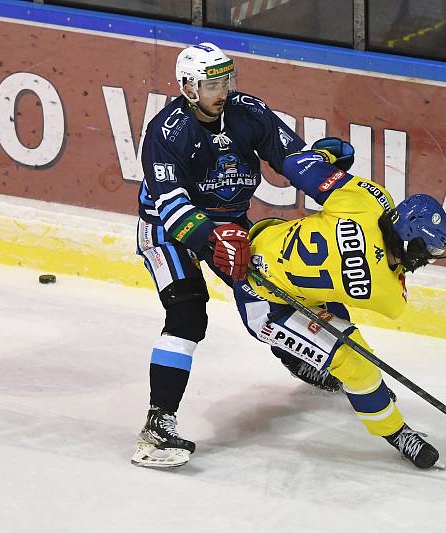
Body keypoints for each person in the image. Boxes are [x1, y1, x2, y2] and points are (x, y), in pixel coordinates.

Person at [131, 42, 351, 468]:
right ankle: (158, 425)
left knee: (280, 291)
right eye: (212, 83)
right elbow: (173, 208)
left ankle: (297, 358)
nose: (222, 90)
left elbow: (293, 159)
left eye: (226, 80)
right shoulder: (166, 132)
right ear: (188, 87)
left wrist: (333, 175)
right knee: (188, 315)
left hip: (231, 222)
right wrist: (214, 242)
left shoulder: (248, 111)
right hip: (168, 231)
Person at [233, 144, 446, 469]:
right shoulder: (389, 295)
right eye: (427, 253)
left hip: (258, 242)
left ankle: (313, 362)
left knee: (336, 304)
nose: (426, 260)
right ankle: (396, 433)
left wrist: (327, 157)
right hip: (265, 303)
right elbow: (392, 281)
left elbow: (297, 164)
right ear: (410, 245)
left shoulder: (367, 199)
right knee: (356, 364)